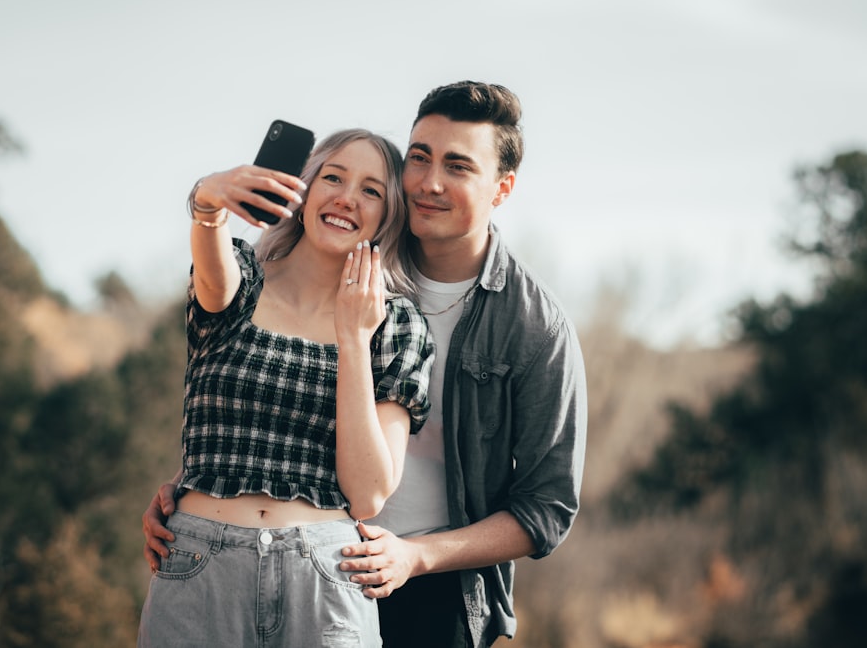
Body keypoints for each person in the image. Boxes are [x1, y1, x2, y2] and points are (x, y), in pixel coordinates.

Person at [144, 82, 587, 648]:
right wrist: (193, 494)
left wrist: (418, 555)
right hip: (295, 554)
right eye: (420, 157)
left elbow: (546, 508)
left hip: (427, 581)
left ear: (501, 189)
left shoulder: (529, 326)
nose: (430, 181)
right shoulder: (289, 275)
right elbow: (248, 382)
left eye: (457, 166)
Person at [137, 128, 434, 648]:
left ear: (389, 216)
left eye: (371, 190)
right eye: (333, 178)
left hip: (325, 577)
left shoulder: (396, 324)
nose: (346, 197)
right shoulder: (242, 277)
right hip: (198, 566)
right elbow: (212, 277)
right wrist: (208, 201)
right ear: (304, 189)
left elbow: (367, 493)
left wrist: (354, 338)